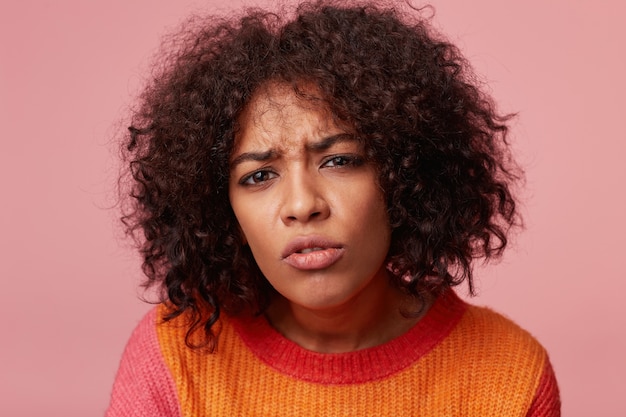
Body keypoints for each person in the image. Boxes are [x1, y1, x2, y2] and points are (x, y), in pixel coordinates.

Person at [106, 1, 560, 415]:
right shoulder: (172, 355)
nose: (303, 205)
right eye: (259, 176)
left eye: (340, 160)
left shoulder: (511, 376)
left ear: (404, 179)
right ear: (226, 215)